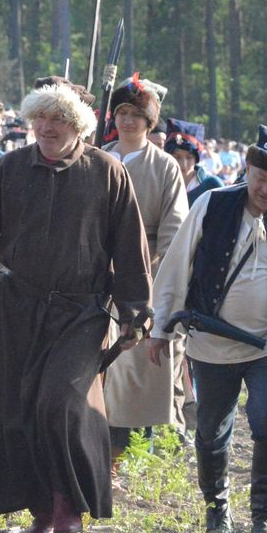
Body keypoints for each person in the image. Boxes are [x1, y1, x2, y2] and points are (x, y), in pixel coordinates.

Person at [0, 80, 151, 533]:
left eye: (58, 120)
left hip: (82, 311)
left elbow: (130, 250)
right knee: (19, 413)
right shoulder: (8, 170)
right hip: (17, 309)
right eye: (41, 118)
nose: (47, 128)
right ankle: (43, 513)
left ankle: (69, 499)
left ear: (78, 126)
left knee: (62, 403)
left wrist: (135, 312)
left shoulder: (108, 172)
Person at [147, 125, 267, 533]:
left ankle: (264, 520)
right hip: (213, 344)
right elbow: (176, 267)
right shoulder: (212, 205)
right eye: (261, 180)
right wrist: (160, 327)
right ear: (246, 170)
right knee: (212, 430)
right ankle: (218, 511)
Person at [99, 74, 190, 472]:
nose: (128, 121)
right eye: (122, 112)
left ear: (149, 122)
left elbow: (174, 229)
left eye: (137, 114)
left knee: (136, 372)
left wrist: (155, 280)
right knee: (97, 370)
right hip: (94, 278)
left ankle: (133, 456)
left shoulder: (165, 167)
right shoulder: (96, 157)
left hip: (143, 275)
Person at [164, 123, 223, 206]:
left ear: (196, 159)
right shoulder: (159, 184)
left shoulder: (212, 185)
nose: (183, 165)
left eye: (189, 157)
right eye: (177, 157)